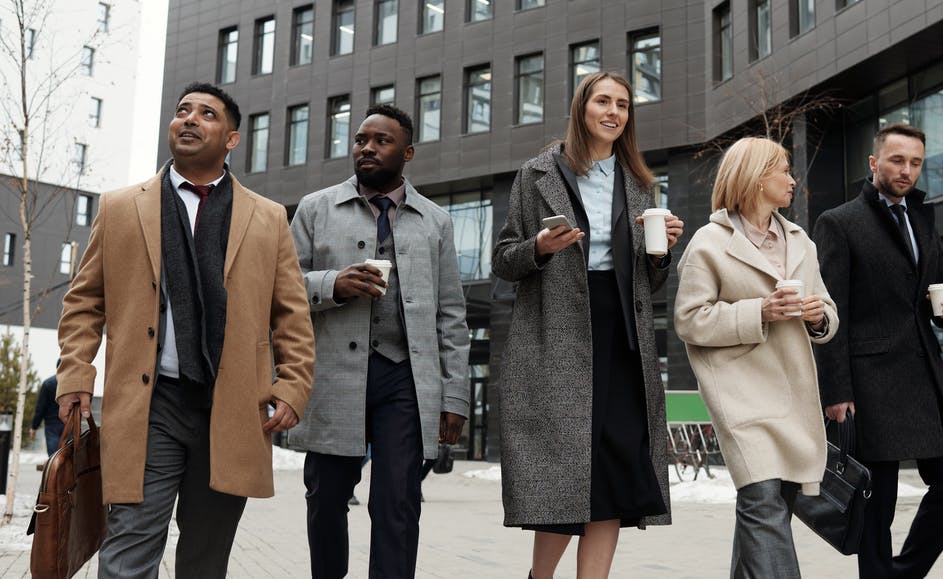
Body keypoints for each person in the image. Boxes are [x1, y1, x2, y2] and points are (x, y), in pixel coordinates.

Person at [55, 82, 315, 578]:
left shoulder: (268, 217)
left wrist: (294, 384)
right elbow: (85, 302)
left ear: (232, 138)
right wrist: (75, 374)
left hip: (235, 406)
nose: (190, 119)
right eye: (182, 111)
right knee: (129, 547)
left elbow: (292, 314)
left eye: (207, 114)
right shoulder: (120, 208)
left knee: (204, 558)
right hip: (150, 404)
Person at [492, 71, 683, 579]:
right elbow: (504, 259)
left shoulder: (641, 182)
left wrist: (663, 251)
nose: (614, 112)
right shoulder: (536, 174)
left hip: (623, 336)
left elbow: (649, 282)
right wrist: (539, 247)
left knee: (617, 468)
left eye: (623, 105)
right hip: (558, 335)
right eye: (604, 101)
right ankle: (540, 578)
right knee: (565, 471)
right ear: (582, 107)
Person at [287, 104, 470, 579]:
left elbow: (451, 314)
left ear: (407, 152)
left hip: (404, 379)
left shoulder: (436, 222)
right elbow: (280, 289)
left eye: (381, 141)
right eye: (360, 139)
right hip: (333, 376)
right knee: (325, 498)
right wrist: (332, 284)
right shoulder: (315, 208)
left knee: (398, 502)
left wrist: (455, 396)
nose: (366, 147)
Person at [811, 123, 943, 578]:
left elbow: (935, 293)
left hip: (925, 374)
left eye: (916, 163)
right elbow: (830, 314)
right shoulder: (839, 222)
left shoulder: (923, 217)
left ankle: (901, 573)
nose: (907, 170)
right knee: (876, 505)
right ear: (874, 162)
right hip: (869, 381)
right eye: (897, 160)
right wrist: (836, 391)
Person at [674, 137, 838, 578]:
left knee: (773, 502)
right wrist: (759, 311)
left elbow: (827, 311)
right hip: (740, 392)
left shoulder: (801, 241)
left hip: (792, 392)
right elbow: (689, 319)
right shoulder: (709, 242)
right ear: (755, 176)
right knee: (762, 498)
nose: (792, 179)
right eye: (783, 170)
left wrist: (818, 316)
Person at [30, 374, 64, 457]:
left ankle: (55, 469)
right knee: (70, 456)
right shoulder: (74, 382)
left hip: (52, 424)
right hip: (70, 422)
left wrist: (34, 427)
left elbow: (41, 408)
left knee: (54, 457)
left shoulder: (48, 383)